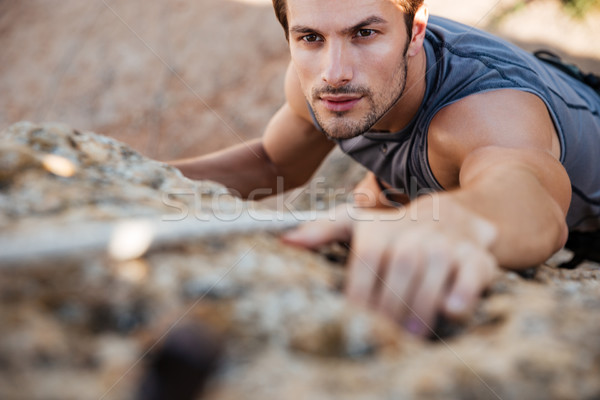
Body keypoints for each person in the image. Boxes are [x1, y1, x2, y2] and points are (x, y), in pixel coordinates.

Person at [170, 0, 600, 337]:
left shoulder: (484, 115)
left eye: (364, 32)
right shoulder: (322, 81)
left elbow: (532, 198)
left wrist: (461, 221)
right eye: (309, 37)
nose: (334, 72)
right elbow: (274, 164)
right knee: (365, 213)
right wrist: (134, 174)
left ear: (415, 31)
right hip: (405, 177)